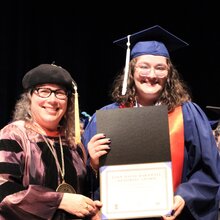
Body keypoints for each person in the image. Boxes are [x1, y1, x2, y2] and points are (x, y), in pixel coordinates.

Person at [82, 25, 220, 220]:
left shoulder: (188, 115)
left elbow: (208, 170)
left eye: (160, 68)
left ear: (169, 74)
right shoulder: (107, 117)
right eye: (144, 66)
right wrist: (94, 165)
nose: (152, 75)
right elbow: (83, 179)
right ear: (131, 71)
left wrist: (184, 196)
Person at [0, 63, 102, 220]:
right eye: (44, 91)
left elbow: (81, 194)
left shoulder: (74, 144)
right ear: (29, 98)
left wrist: (91, 206)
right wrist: (59, 200)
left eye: (60, 93)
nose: (53, 100)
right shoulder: (14, 136)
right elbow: (4, 192)